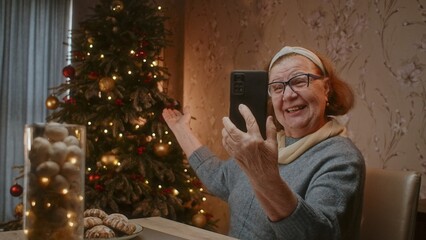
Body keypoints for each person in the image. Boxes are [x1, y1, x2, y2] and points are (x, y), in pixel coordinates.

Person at [162, 46, 365, 240]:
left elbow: (318, 235)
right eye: (277, 87)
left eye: (300, 81)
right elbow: (220, 179)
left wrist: (263, 176)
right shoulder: (268, 143)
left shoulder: (341, 157)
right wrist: (181, 130)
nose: (288, 95)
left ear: (326, 88)